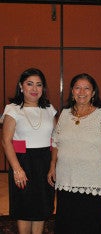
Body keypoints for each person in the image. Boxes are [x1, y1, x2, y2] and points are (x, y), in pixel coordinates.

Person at [47, 73, 101, 234]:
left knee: (93, 226)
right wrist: (52, 166)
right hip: (66, 180)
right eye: (77, 88)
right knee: (68, 224)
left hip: (94, 182)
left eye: (87, 88)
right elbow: (56, 143)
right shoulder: (65, 114)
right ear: (72, 92)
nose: (82, 92)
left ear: (93, 93)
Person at [1, 68, 56, 234]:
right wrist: (17, 169)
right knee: (24, 208)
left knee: (42, 207)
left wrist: (53, 165)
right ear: (21, 86)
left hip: (45, 162)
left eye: (39, 85)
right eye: (29, 84)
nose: (34, 89)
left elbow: (56, 140)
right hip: (23, 162)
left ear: (43, 88)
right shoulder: (13, 109)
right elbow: (6, 141)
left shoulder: (49, 109)